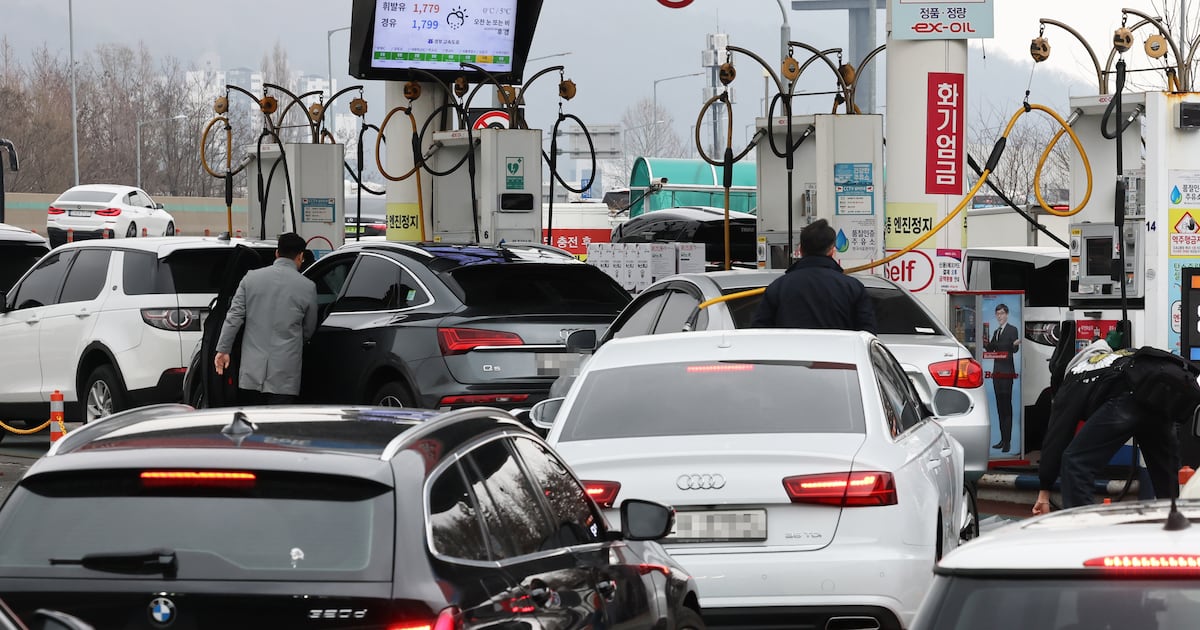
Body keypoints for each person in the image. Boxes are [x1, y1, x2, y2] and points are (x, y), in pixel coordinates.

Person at [1032, 335, 1200, 514]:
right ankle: (1179, 526)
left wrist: (1044, 493)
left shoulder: (1072, 379)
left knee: (1075, 463)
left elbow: (1057, 438)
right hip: (1159, 394)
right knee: (1166, 472)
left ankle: (1081, 530)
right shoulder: (1112, 358)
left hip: (1128, 396)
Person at [214, 232, 317, 405]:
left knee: (253, 422)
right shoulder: (308, 287)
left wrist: (223, 350)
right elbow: (308, 328)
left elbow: (234, 317)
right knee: (279, 425)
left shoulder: (251, 278)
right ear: (300, 256)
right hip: (285, 371)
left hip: (252, 370)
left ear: (277, 253)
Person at [750, 219, 876, 333]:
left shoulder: (779, 287)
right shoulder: (852, 287)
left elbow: (759, 331)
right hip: (838, 357)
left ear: (800, 250)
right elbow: (867, 333)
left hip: (792, 356)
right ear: (832, 250)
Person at [984, 303, 1020, 453]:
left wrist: (1015, 344)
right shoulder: (996, 331)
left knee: (1007, 408)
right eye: (997, 314)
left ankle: (1008, 442)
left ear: (1006, 314)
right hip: (996, 373)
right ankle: (1002, 439)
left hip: (1007, 373)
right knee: (1000, 408)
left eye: (1001, 313)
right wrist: (984, 341)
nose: (999, 316)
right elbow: (991, 348)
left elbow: (1015, 349)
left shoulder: (1012, 329)